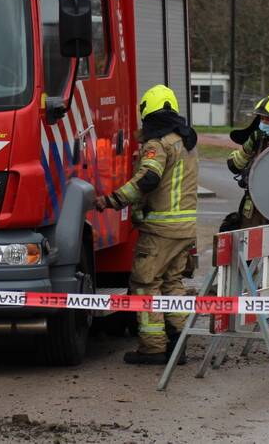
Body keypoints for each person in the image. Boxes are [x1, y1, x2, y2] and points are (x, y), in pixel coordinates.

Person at [94, 84, 198, 365]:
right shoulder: (184, 142)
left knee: (144, 284)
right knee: (172, 284)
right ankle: (179, 345)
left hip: (160, 230)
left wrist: (112, 200)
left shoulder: (158, 144)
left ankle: (153, 348)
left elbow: (147, 179)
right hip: (184, 228)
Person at [222, 94, 269, 230]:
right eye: (261, 119)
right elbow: (234, 165)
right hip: (252, 209)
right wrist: (248, 147)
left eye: (267, 119)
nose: (263, 123)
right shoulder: (256, 139)